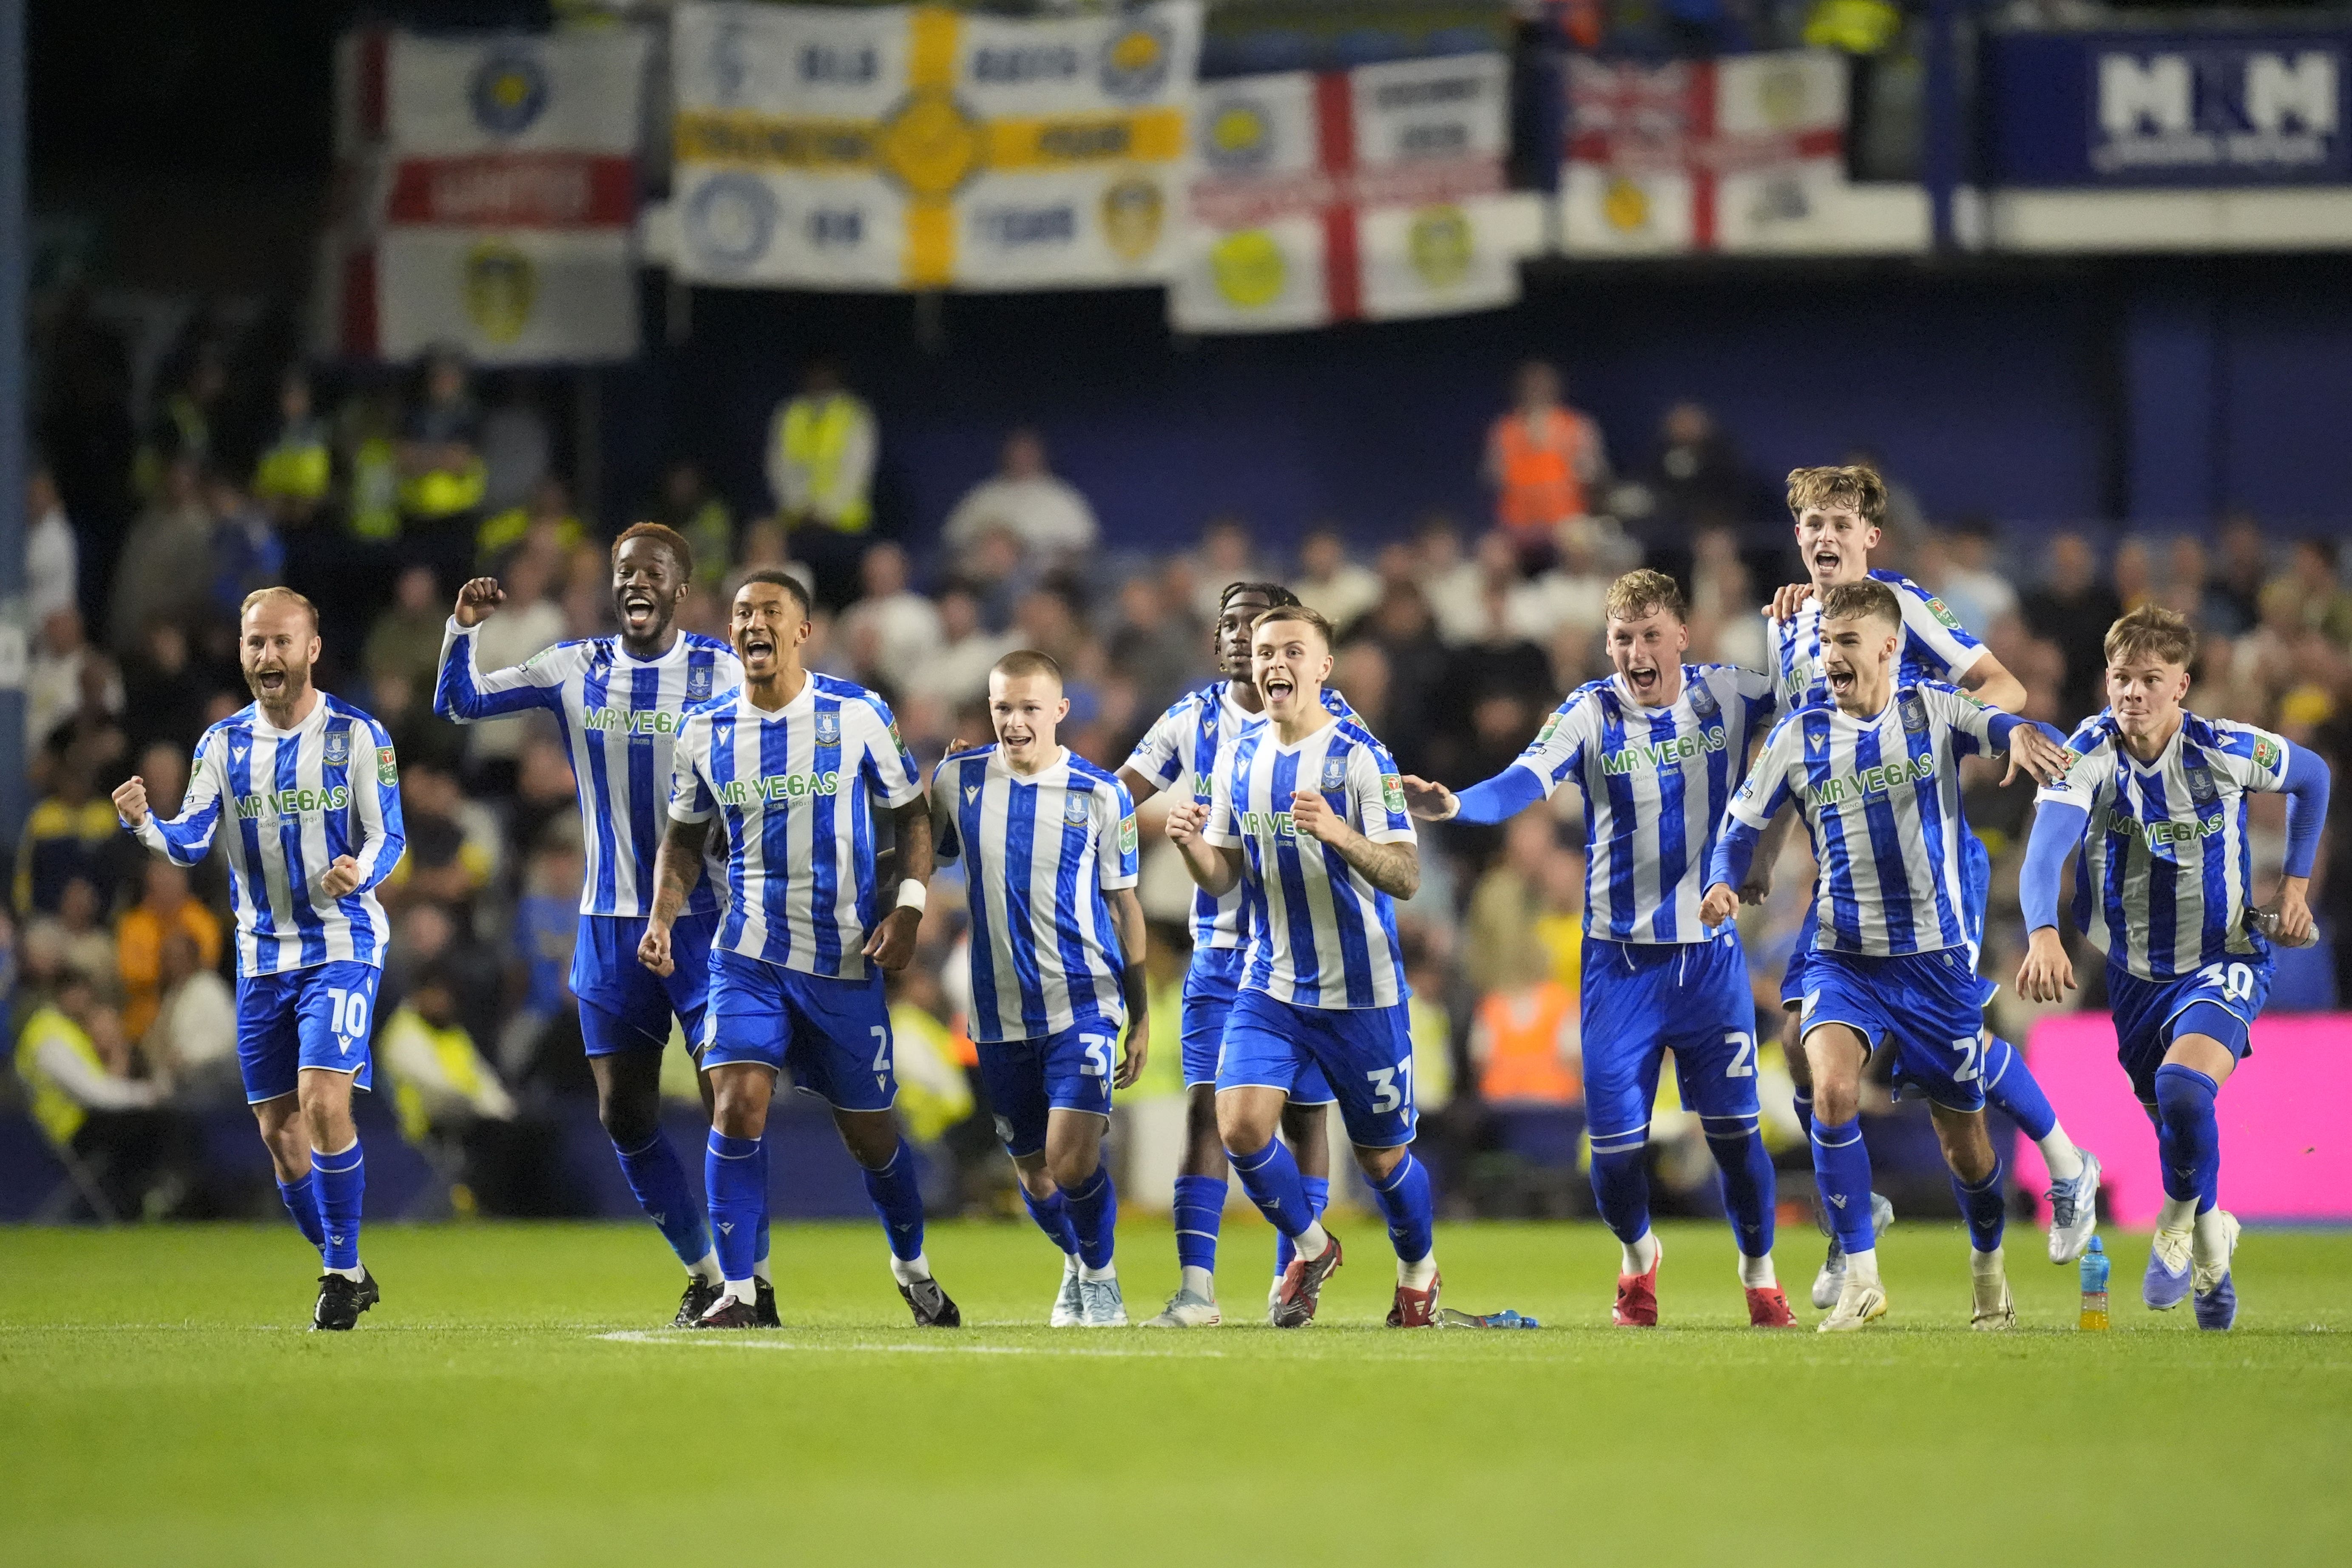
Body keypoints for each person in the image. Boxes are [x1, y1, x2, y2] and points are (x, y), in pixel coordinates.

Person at [1402, 570, 1793, 1327]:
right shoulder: (1589, 711)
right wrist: (1456, 802)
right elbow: (1523, 780)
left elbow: (1815, 701)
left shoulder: (1730, 693)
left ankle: (1759, 1273)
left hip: (1708, 961)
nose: (1636, 652)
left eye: (1651, 636)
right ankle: (1640, 1257)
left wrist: (1804, 614)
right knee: (1614, 1154)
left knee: (1738, 1141)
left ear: (1682, 634)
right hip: (1619, 966)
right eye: (1622, 638)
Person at [1755, 464, 2099, 1309]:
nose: (1825, 536)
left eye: (1842, 521)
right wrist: (1765, 861)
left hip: (1929, 873)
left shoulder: (1904, 608)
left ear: (1871, 534)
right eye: (1812, 524)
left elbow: (2003, 685)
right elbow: (1800, 750)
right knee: (1809, 1044)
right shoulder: (1792, 626)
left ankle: (2021, 1212)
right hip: (1842, 883)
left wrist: (1955, 727)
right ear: (1798, 537)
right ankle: (1852, 1225)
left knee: (1960, 1122)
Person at [1702, 579, 2069, 1332]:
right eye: (1826, 644)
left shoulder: (1930, 711)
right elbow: (1740, 825)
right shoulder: (1797, 735)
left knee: (1963, 1143)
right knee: (1830, 1087)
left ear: (1887, 648)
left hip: (1931, 957)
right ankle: (1861, 1273)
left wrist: (2017, 734)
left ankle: (1988, 1264)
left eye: (1847, 644)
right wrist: (1717, 883)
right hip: (1844, 953)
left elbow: (1994, 716)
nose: (1833, 658)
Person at [434, 523, 744, 1327]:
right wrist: (462, 629)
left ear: (682, 588)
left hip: (706, 918)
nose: (636, 582)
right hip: (608, 923)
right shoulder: (575, 667)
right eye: (623, 571)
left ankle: (751, 1281)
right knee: (624, 1113)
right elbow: (459, 701)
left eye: (654, 571)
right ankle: (706, 1272)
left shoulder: (722, 668)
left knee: (730, 1099)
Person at [639, 569, 957, 1329]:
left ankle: (911, 1264)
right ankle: (742, 1290)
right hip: (745, 953)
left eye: (769, 612)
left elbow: (910, 816)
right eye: (742, 613)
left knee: (873, 1139)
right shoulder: (705, 731)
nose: (753, 623)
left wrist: (909, 911)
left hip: (843, 962)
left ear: (802, 631)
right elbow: (683, 838)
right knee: (737, 1101)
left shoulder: (855, 713)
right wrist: (661, 915)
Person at [2016, 605, 2331, 1331]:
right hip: (2132, 971)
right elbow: (2043, 851)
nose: (2130, 692)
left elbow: (2312, 776)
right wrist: (2041, 932)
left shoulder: (2221, 747)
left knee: (2184, 1089)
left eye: (2148, 679)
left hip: (2225, 953)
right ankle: (2213, 1252)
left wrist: (2294, 886)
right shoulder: (2085, 752)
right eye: (2120, 677)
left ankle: (2175, 1220)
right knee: (2174, 1125)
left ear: (2181, 684)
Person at [111, 587, 406, 1329]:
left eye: (281, 642)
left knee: (323, 1102)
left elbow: (389, 837)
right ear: (242, 652)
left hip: (342, 943)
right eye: (255, 644)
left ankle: (339, 1274)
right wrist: (147, 824)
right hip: (261, 958)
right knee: (280, 1136)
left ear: (312, 648)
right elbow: (189, 840)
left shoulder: (358, 735)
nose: (268, 657)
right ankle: (346, 1262)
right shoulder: (222, 745)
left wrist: (359, 874)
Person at [1165, 604, 1441, 1329]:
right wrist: (1193, 847)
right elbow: (1225, 876)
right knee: (1241, 1125)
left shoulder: (1358, 756)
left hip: (1362, 993)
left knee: (1384, 1163)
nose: (1274, 663)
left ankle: (1418, 1267)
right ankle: (1313, 1248)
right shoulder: (1236, 755)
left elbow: (1407, 875)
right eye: (1264, 652)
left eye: (1292, 650)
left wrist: (1337, 830)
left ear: (1323, 667)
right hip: (1272, 979)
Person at [1117, 582, 1347, 1329]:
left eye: (1255, 625)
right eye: (1228, 626)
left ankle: (1294, 1278)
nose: (1239, 637)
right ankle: (1196, 1290)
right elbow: (1118, 791)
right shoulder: (1191, 718)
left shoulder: (1332, 720)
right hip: (1220, 948)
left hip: (1303, 948)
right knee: (1205, 1113)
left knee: (1305, 1117)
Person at [933, 650, 1149, 1327]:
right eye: (1004, 708)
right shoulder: (956, 781)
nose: (1016, 721)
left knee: (1072, 1158)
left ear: (1060, 711)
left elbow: (1125, 906)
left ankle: (1103, 1279)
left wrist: (1139, 1015)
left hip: (1083, 999)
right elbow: (920, 849)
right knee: (1034, 1176)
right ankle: (1081, 1260)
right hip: (998, 1013)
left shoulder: (1100, 792)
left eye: (1030, 708)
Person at [767, 356, 877, 610]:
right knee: (798, 601)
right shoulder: (790, 413)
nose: (819, 380)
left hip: (844, 528)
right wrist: (800, 508)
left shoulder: (854, 414)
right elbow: (779, 467)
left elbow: (858, 469)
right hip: (798, 527)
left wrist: (825, 512)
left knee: (842, 601)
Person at [1483, 360, 1608, 560]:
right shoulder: (1504, 429)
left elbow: (1595, 473)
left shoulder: (1577, 426)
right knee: (1493, 555)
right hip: (1517, 525)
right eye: (1531, 385)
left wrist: (1583, 469)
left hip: (1568, 523)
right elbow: (1493, 477)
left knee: (1587, 544)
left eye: (1543, 384)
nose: (1537, 390)